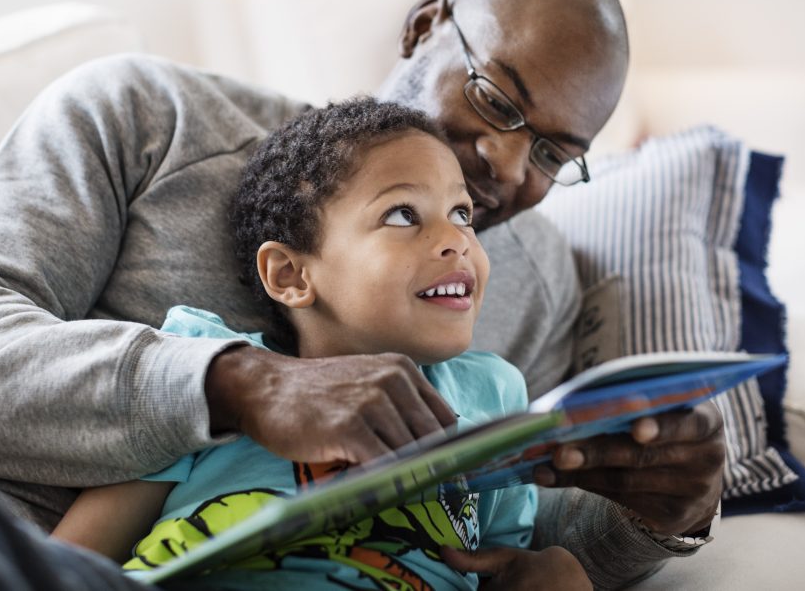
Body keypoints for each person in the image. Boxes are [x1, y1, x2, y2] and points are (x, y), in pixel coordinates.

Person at [0, 0, 724, 589]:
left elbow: (512, 528)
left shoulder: (530, 278)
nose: (502, 165)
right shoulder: (149, 115)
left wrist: (657, 515)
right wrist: (234, 384)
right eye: (495, 97)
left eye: (551, 153)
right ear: (424, 28)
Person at [52, 96, 593, 591]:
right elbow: (67, 562)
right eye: (403, 214)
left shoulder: (493, 396)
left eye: (462, 214)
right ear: (289, 274)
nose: (456, 240)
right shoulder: (207, 369)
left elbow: (497, 568)